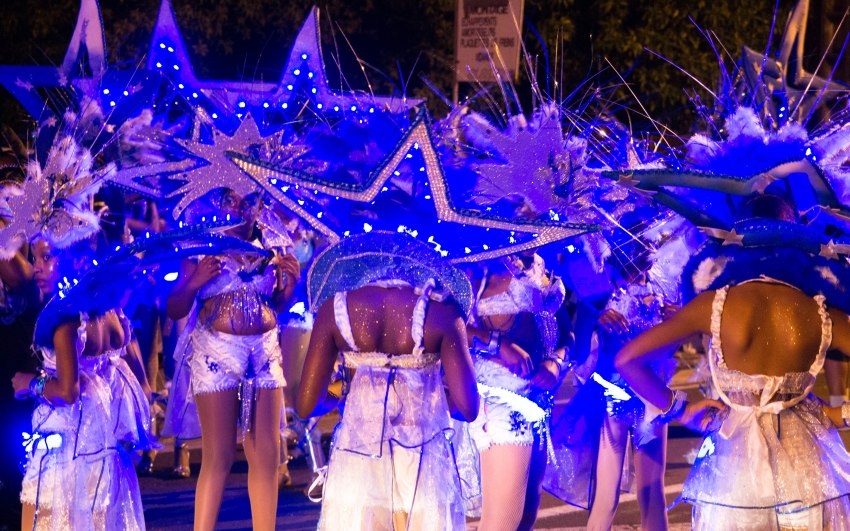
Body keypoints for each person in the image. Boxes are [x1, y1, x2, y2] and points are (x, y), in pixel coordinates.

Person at [615, 195, 850, 528]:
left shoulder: (715, 305)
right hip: (809, 464)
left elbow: (628, 360)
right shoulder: (818, 311)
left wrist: (682, 410)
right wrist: (840, 413)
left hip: (736, 468)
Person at [297, 231, 478, 530]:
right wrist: (432, 394)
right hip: (422, 459)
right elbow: (468, 409)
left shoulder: (335, 309)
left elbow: (306, 405)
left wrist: (347, 395)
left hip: (358, 458)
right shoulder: (443, 313)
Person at [165, 188, 300, 531]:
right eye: (234, 200)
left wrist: (288, 289)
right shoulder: (201, 245)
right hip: (216, 350)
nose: (243, 208)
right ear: (220, 200)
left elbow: (277, 307)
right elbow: (175, 307)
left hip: (264, 349)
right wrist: (194, 282)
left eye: (251, 200)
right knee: (219, 455)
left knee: (267, 455)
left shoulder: (273, 244)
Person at [12, 237, 153, 530]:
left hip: (67, 444)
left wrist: (31, 383)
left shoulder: (65, 320)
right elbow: (138, 375)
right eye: (34, 258)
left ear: (74, 262)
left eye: (47, 258)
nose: (37, 268)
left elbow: (67, 391)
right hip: (105, 445)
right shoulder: (111, 312)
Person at [463, 250, 568, 530]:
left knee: (525, 517)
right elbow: (444, 324)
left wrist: (556, 361)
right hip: (500, 401)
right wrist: (498, 345)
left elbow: (568, 328)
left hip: (538, 402)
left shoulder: (540, 259)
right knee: (503, 523)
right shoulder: (475, 263)